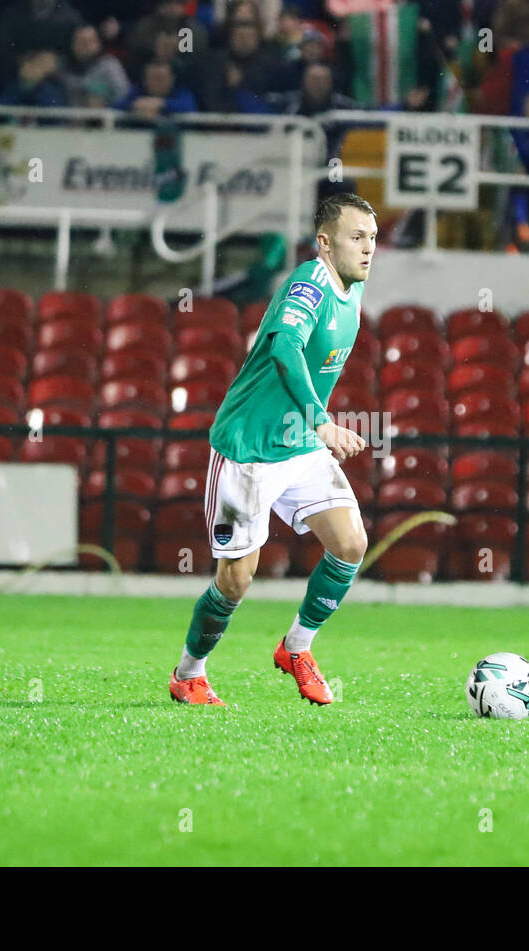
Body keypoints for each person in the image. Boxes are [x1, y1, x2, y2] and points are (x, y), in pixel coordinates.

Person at [170, 193, 376, 707]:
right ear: (325, 243)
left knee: (350, 545)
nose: (368, 248)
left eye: (373, 238)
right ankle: (188, 673)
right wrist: (322, 422)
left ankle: (296, 648)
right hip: (249, 450)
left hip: (299, 445)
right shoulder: (311, 283)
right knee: (235, 581)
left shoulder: (352, 292)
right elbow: (285, 348)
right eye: (357, 237)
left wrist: (311, 430)